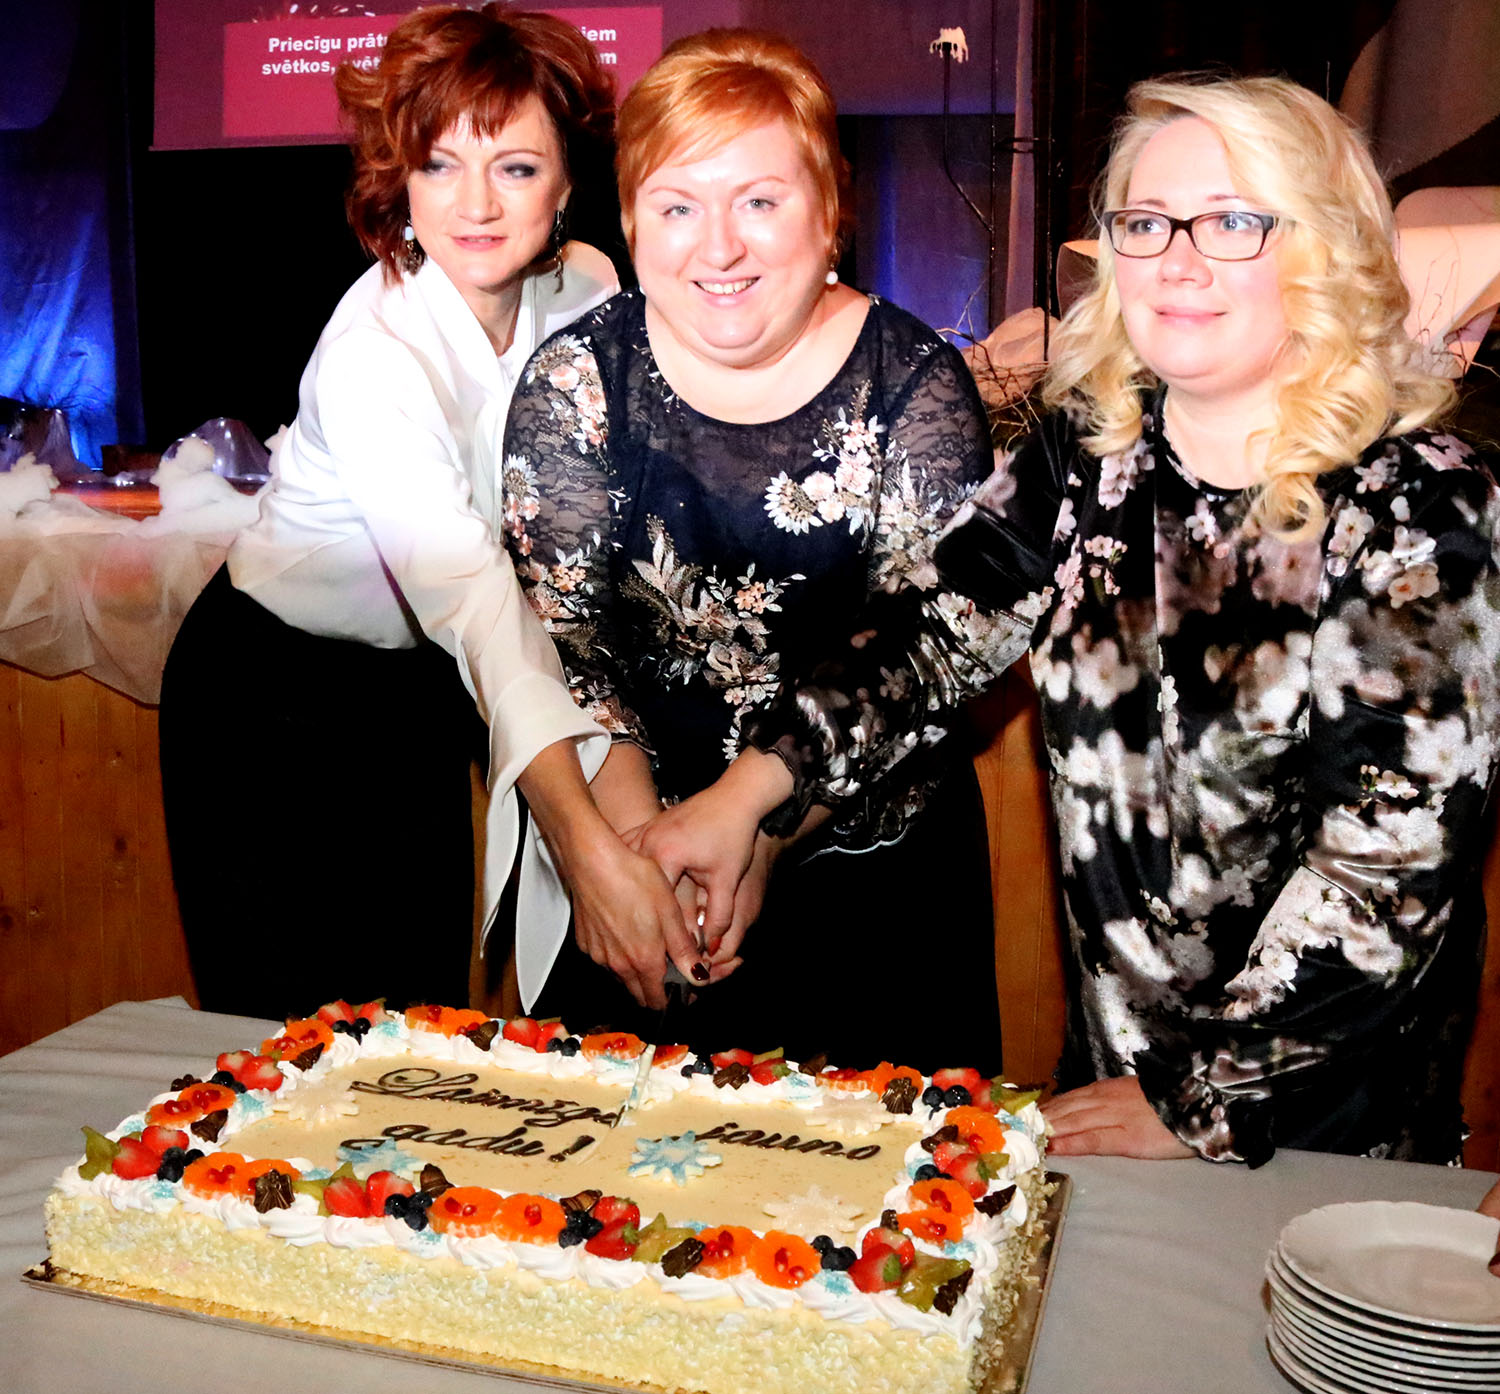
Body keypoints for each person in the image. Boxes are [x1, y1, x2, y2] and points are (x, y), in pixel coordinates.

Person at [645, 74, 1500, 1166]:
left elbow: (1384, 870)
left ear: (1325, 246)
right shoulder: (1090, 447)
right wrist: (749, 793)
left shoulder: (1423, 503)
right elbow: (929, 633)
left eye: (1232, 222)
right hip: (1116, 1091)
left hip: (1319, 1135)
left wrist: (1200, 1097)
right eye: (1146, 223)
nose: (1176, 261)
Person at [160, 5, 692, 1019]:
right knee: (295, 1045)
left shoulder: (587, 292)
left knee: (416, 1027)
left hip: (419, 692)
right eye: (440, 164)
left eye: (516, 168)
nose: (476, 205)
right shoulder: (376, 357)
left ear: (566, 181)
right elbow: (479, 601)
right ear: (400, 179)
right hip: (270, 703)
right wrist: (590, 856)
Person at [500, 29, 1002, 1073]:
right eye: (678, 207)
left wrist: (756, 823)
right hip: (640, 877)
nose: (718, 248)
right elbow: (570, 648)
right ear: (630, 221)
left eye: (760, 201)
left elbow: (927, 651)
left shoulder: (916, 387)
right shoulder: (575, 383)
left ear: (830, 211)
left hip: (870, 889)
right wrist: (647, 852)